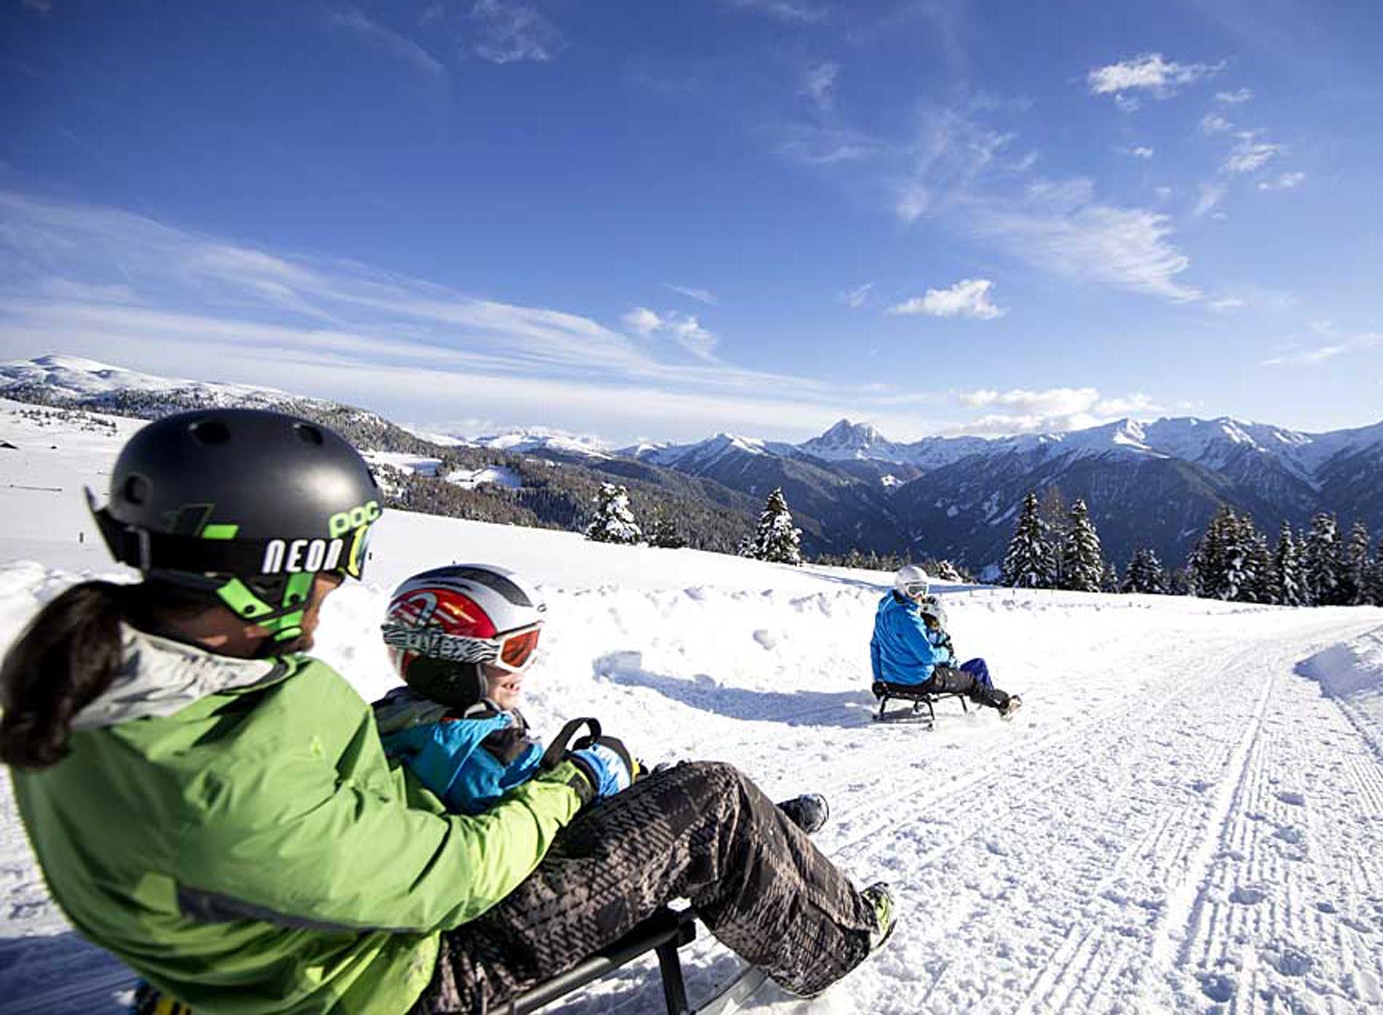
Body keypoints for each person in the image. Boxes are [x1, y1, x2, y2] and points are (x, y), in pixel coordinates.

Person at [0, 408, 892, 1015]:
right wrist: (570, 787)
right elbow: (459, 874)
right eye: (329, 563)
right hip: (413, 974)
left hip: (271, 955)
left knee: (662, 811)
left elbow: (351, 803)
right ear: (266, 565)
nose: (335, 588)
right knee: (713, 798)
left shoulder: (83, 691)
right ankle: (840, 935)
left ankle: (757, 845)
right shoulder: (219, 784)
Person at [371, 561, 829, 828]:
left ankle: (744, 817)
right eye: (515, 650)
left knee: (651, 775)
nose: (525, 668)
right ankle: (742, 828)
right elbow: (533, 815)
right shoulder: (468, 752)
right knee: (691, 787)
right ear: (453, 659)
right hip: (569, 871)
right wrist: (598, 768)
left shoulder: (410, 722)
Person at [870, 564, 1021, 716]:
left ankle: (995, 700)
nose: (920, 595)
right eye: (914, 590)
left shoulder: (883, 613)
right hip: (920, 681)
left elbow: (875, 646)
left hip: (892, 681)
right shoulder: (908, 618)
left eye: (924, 589)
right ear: (902, 588)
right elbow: (927, 656)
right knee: (970, 681)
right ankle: (1003, 705)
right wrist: (945, 652)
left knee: (963, 674)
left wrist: (879, 679)